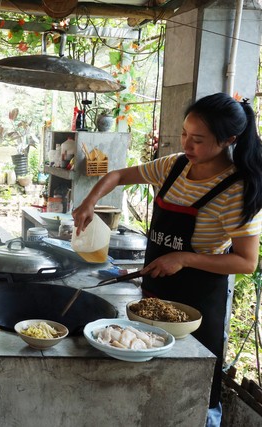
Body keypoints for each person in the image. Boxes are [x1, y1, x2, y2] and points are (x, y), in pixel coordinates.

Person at [72, 92, 262, 426]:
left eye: (198, 140)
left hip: (199, 304)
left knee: (195, 389)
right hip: (154, 292)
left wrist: (184, 258)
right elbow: (116, 176)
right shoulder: (174, 166)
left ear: (229, 140)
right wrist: (89, 202)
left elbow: (246, 262)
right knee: (151, 377)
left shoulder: (236, 190)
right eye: (185, 135)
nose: (187, 145)